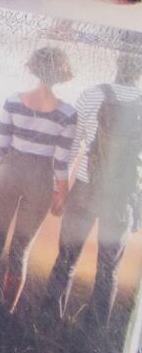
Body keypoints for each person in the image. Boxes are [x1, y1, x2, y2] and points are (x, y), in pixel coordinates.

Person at [0, 42, 78, 311]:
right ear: (61, 74)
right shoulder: (67, 114)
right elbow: (61, 162)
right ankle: (5, 314)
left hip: (8, 172)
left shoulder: (12, 101)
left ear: (35, 67)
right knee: (20, 252)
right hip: (41, 180)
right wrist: (61, 194)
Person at [47, 37, 142, 326]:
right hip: (121, 198)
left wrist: (60, 189)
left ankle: (48, 319)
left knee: (65, 260)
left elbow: (71, 147)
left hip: (86, 191)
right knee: (109, 271)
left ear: (117, 60)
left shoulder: (91, 96)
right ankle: (94, 334)